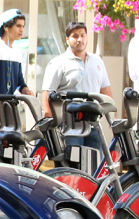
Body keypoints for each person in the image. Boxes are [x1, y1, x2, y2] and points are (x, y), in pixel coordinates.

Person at [41, 23, 113, 154]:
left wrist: (110, 117)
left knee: (95, 160)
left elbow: (105, 91)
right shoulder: (58, 62)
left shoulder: (97, 61)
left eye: (82, 35)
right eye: (75, 36)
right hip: (69, 123)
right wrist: (49, 120)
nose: (80, 39)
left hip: (93, 121)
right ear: (67, 39)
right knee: (73, 162)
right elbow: (47, 92)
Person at [0, 9, 33, 98]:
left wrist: (26, 90)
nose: (22, 30)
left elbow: (19, 81)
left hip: (10, 105)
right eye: (18, 26)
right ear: (6, 27)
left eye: (23, 26)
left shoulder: (17, 51)